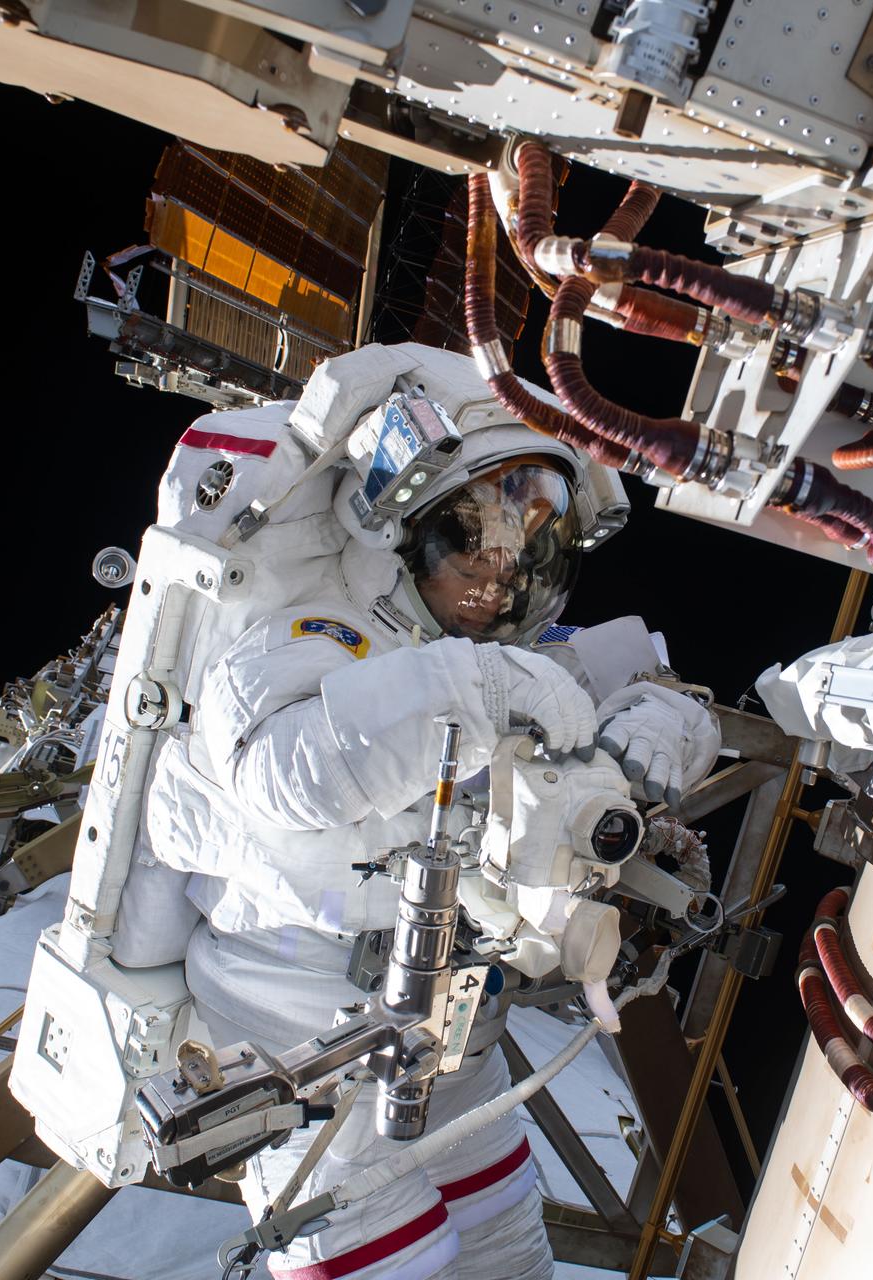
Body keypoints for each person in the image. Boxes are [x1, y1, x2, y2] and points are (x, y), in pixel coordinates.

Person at [139, 362, 720, 1280]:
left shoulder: (502, 652)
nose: (500, 578)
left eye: (525, 552)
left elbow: (671, 695)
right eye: (473, 545)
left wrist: (656, 734)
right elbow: (286, 772)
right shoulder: (310, 633)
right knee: (397, 1264)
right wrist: (468, 689)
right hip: (300, 1029)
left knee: (504, 1249)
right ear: (399, 536)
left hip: (446, 1022)